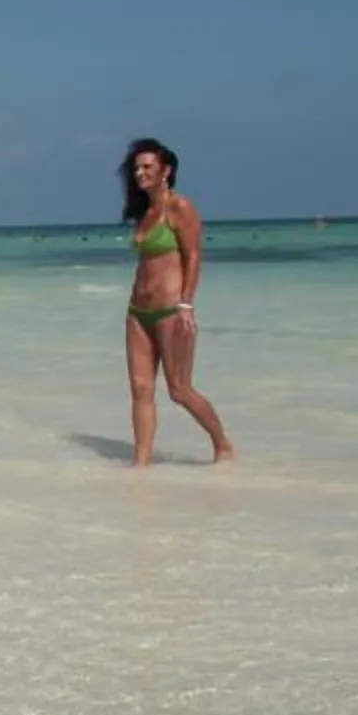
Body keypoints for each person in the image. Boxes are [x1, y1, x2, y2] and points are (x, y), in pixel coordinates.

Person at [120, 137, 233, 468]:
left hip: (171, 310)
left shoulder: (179, 207)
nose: (140, 173)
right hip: (137, 312)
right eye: (137, 168)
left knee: (179, 389)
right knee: (140, 389)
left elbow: (194, 255)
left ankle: (222, 443)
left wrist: (187, 304)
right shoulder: (143, 214)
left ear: (165, 170)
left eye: (147, 167)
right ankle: (141, 464)